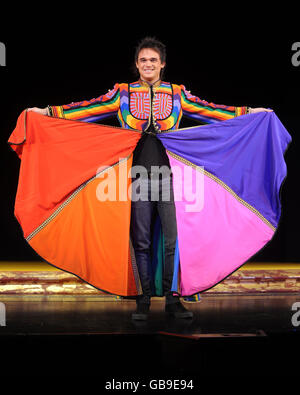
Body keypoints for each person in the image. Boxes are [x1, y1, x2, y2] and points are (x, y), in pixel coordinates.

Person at [28, 37, 272, 321]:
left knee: (173, 239)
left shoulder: (178, 94)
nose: (148, 64)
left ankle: (173, 299)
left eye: (153, 60)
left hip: (171, 177)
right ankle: (142, 300)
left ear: (162, 64)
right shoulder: (122, 94)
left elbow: (214, 112)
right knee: (141, 239)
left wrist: (250, 113)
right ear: (137, 64)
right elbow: (86, 110)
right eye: (143, 60)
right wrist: (47, 112)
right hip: (138, 176)